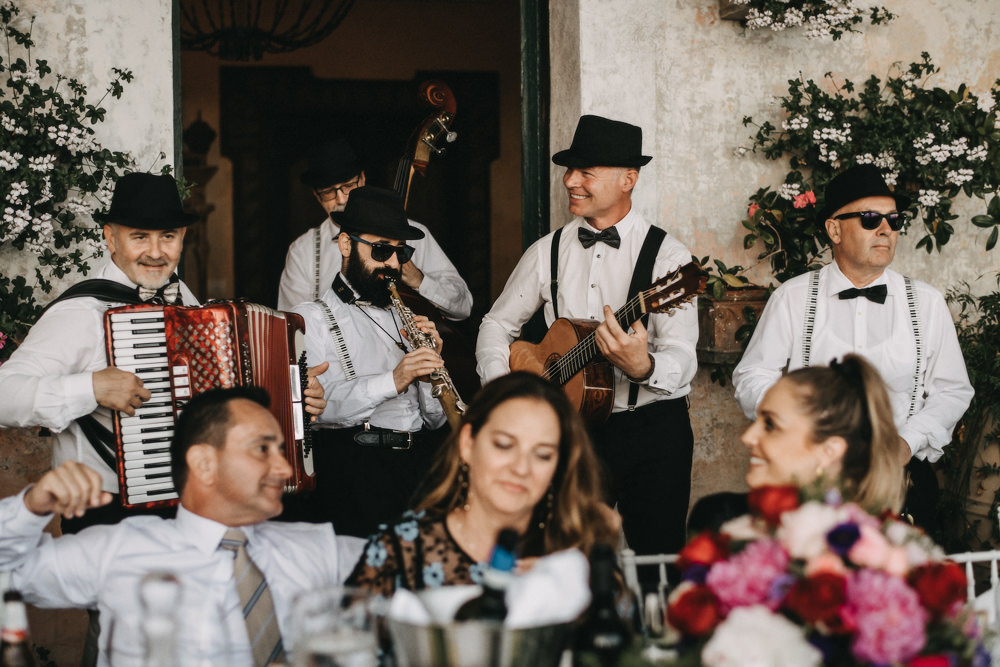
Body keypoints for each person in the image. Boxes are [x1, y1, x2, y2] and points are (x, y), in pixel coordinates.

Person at [0, 172, 328, 534]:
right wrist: (91, 388)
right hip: (111, 514)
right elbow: (5, 393)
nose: (156, 252)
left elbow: (217, 389)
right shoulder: (80, 313)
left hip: (191, 508)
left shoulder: (182, 296)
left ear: (183, 238)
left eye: (167, 236)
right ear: (110, 237)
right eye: (139, 236)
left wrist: (294, 391)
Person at [0, 386, 363, 667]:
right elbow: (8, 575)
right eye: (263, 449)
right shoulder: (116, 550)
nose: (285, 469)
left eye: (282, 451)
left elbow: (416, 563)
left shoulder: (321, 548)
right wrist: (31, 507)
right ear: (203, 463)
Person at [476, 114, 699, 559]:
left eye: (586, 172)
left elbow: (681, 355)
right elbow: (496, 325)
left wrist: (646, 366)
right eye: (569, 170)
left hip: (651, 431)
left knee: (657, 558)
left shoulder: (670, 259)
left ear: (628, 179)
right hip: (572, 432)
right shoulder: (548, 250)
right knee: (560, 553)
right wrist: (505, 390)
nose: (570, 181)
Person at [731, 163, 974, 529]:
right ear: (834, 229)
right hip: (809, 482)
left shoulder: (926, 302)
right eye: (870, 218)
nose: (885, 230)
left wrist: (906, 442)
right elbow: (752, 375)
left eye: (893, 220)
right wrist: (799, 429)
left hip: (901, 482)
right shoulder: (793, 298)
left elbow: (953, 390)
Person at [346, 371, 619, 597]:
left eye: (543, 454)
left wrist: (575, 591)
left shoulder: (577, 552)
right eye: (504, 445)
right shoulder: (402, 550)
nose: (521, 468)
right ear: (468, 444)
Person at [290, 185, 452, 537]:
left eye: (400, 253)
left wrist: (429, 377)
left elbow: (436, 420)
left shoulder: (405, 317)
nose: (393, 264)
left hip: (418, 470)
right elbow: (321, 409)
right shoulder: (309, 319)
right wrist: (394, 379)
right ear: (346, 245)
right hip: (355, 473)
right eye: (381, 250)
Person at [690, 354, 906, 533]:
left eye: (771, 425)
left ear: (829, 451)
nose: (748, 437)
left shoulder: (876, 549)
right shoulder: (719, 518)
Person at [277, 136, 473, 320]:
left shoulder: (412, 234)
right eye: (328, 192)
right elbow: (293, 328)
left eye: (347, 185)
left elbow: (463, 307)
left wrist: (419, 280)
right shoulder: (302, 251)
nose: (341, 198)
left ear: (362, 179)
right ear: (316, 195)